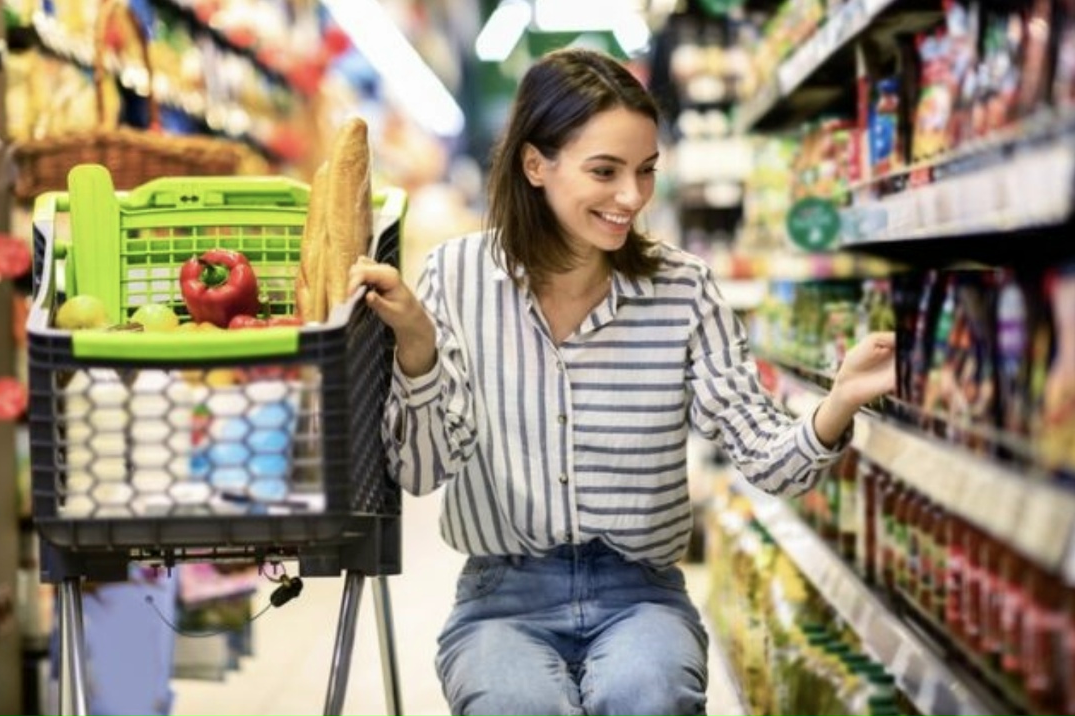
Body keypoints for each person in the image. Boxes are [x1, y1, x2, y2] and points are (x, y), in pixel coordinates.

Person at [348, 47, 895, 716]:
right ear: (535, 164)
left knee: (651, 695)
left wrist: (837, 401)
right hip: (499, 600)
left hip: (642, 595)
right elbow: (422, 469)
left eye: (644, 171)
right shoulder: (455, 278)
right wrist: (418, 349)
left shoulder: (682, 288)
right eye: (604, 171)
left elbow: (767, 458)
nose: (631, 197)